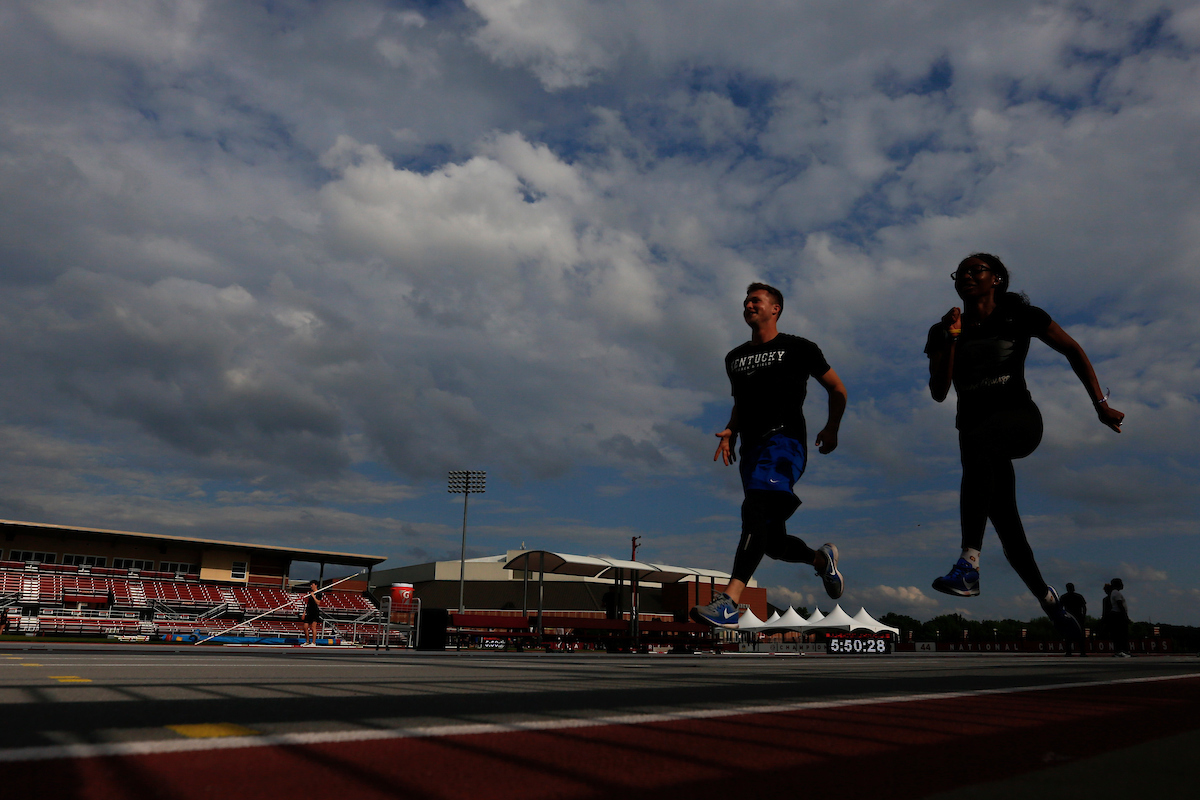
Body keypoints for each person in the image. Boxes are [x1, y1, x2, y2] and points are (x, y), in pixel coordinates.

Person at [924, 253, 1124, 638]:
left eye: (975, 270)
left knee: (979, 448)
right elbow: (938, 392)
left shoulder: (1021, 316)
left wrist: (1100, 405)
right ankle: (1052, 604)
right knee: (1009, 531)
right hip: (976, 438)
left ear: (997, 278)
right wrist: (951, 339)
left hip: (1019, 421)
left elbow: (1073, 350)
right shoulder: (943, 329)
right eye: (959, 272)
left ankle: (968, 563)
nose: (965, 276)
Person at [691, 282, 848, 628]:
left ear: (775, 308)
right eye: (746, 300)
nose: (748, 303)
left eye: (756, 299)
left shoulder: (799, 348)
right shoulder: (734, 358)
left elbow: (837, 388)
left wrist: (832, 427)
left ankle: (729, 601)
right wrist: (731, 430)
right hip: (751, 449)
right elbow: (741, 403)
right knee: (772, 542)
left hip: (785, 442)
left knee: (756, 508)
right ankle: (822, 562)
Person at [1060, 582, 1088, 656]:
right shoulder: (1078, 596)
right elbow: (1084, 607)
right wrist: (1083, 616)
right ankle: (1082, 652)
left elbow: (1060, 608)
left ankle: (1069, 652)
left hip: (1069, 618)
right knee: (1080, 636)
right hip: (1077, 617)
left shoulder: (1064, 597)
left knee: (1069, 636)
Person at [1109, 577, 1131, 657]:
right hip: (1118, 615)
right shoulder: (1116, 593)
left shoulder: (1114, 592)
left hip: (1117, 614)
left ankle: (1121, 650)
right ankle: (1122, 650)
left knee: (1119, 633)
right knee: (1122, 633)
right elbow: (1120, 604)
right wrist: (1125, 616)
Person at [302, 580, 321, 646]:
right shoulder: (311, 593)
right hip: (308, 611)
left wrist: (313, 596)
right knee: (305, 627)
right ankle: (307, 641)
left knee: (313, 627)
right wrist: (304, 612)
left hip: (314, 612)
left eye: (312, 585)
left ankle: (313, 642)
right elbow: (308, 604)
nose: (311, 586)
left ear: (316, 585)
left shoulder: (318, 593)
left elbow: (318, 602)